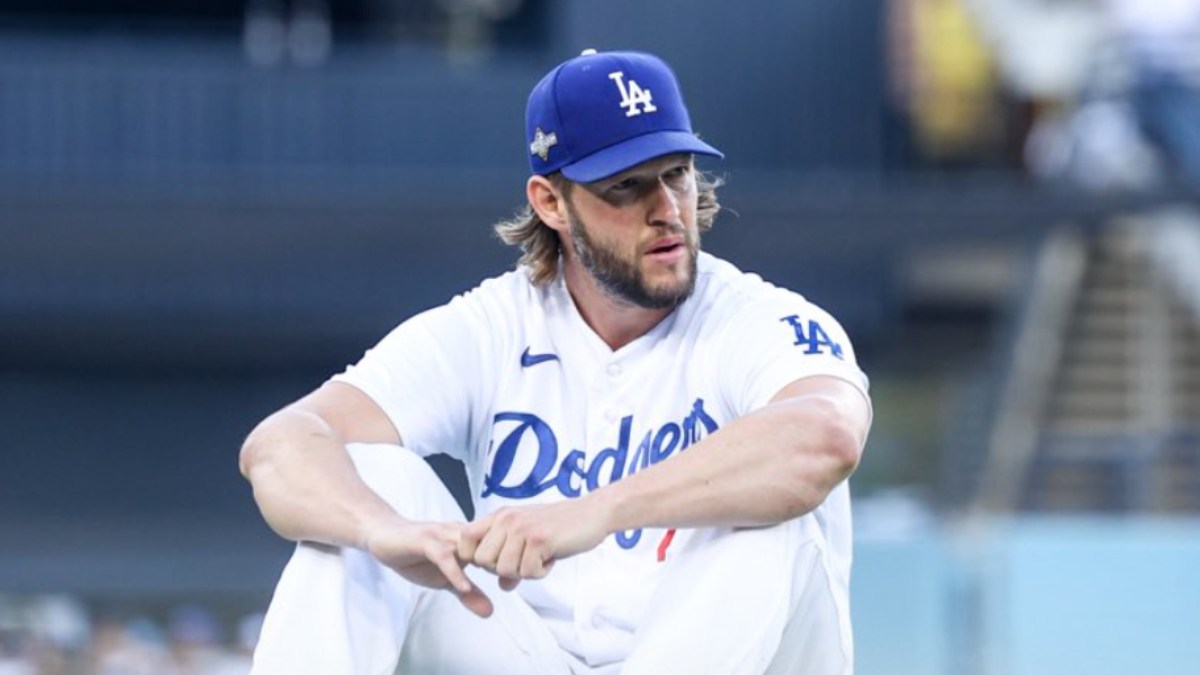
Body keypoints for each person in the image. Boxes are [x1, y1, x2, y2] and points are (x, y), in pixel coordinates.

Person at [239, 48, 872, 675]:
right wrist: (377, 529)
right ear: (549, 201)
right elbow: (280, 444)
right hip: (527, 653)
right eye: (626, 186)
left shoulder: (755, 318)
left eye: (676, 173)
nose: (666, 209)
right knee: (370, 480)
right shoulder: (489, 327)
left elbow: (826, 436)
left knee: (770, 516)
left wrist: (600, 510)